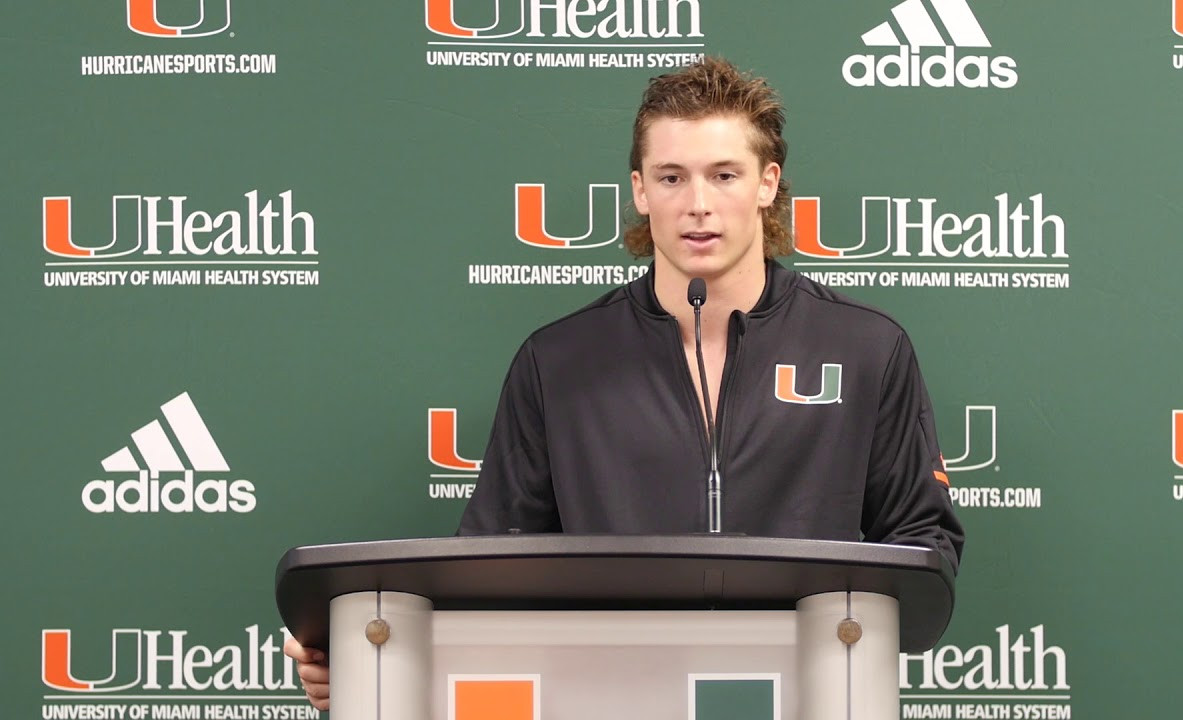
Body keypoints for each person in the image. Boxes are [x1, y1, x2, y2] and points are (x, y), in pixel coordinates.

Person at [284, 57, 963, 710]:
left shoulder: (867, 348)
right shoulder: (559, 361)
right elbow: (489, 572)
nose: (698, 205)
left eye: (724, 174)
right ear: (639, 189)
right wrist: (371, 661)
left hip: (811, 696)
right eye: (671, 178)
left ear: (767, 183)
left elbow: (923, 549)